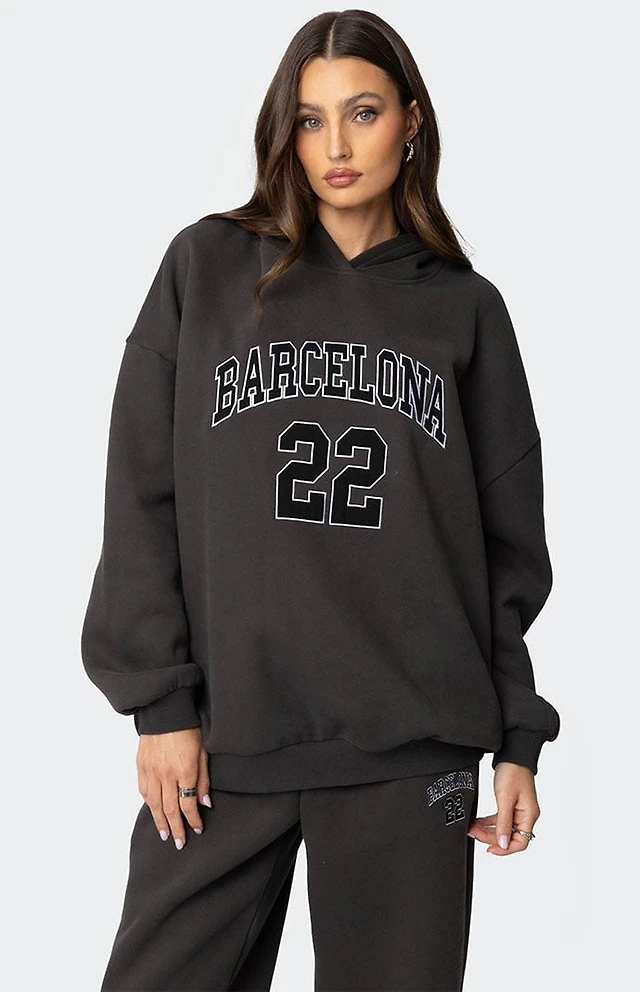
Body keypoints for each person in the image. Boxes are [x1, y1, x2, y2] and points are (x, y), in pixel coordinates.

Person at [80, 9, 561, 991]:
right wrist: (159, 703)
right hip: (224, 743)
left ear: (410, 121)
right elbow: (141, 492)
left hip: (411, 744)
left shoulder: (465, 309)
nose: (335, 146)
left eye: (363, 112)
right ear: (284, 133)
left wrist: (518, 736)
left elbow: (506, 551)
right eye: (309, 119)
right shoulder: (207, 267)